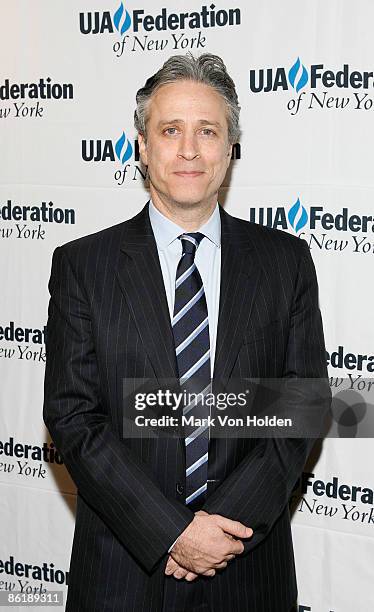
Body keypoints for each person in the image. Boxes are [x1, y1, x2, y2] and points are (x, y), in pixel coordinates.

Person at [43, 53, 329, 612]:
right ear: (142, 147)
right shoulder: (82, 265)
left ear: (230, 149)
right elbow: (73, 416)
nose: (190, 149)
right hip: (123, 573)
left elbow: (305, 406)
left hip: (248, 567)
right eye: (170, 130)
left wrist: (219, 530)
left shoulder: (286, 262)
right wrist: (170, 531)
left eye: (208, 131)